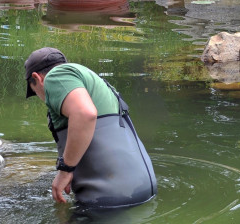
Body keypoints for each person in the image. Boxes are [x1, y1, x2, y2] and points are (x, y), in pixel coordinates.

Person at [24, 47, 157, 208]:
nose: (43, 99)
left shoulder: (56, 77)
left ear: (36, 78)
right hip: (143, 188)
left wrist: (65, 170)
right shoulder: (90, 79)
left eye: (35, 91)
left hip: (110, 197)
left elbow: (85, 113)